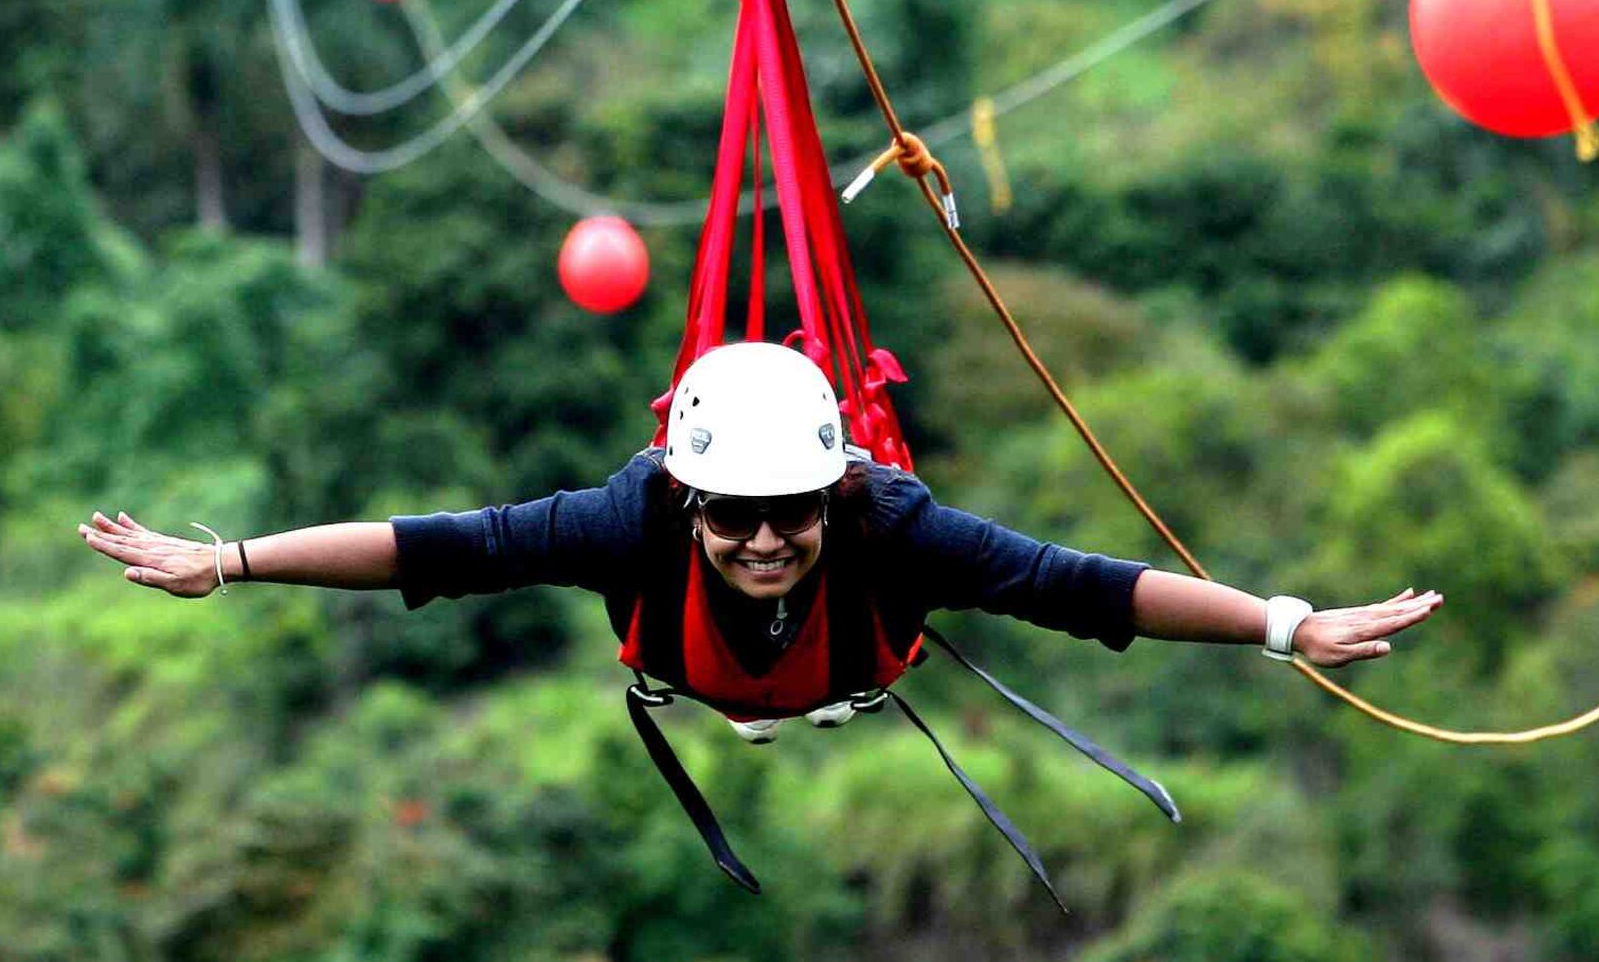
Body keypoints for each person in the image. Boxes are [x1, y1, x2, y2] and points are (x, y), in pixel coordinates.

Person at [77, 341, 1443, 900]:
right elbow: (441, 548)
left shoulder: (887, 525)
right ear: (687, 498)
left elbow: (1076, 588)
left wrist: (1284, 625)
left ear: (831, 488)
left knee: (985, 566)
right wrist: (237, 563)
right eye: (734, 515)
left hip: (855, 657)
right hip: (701, 673)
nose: (766, 538)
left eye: (791, 508)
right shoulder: (631, 520)